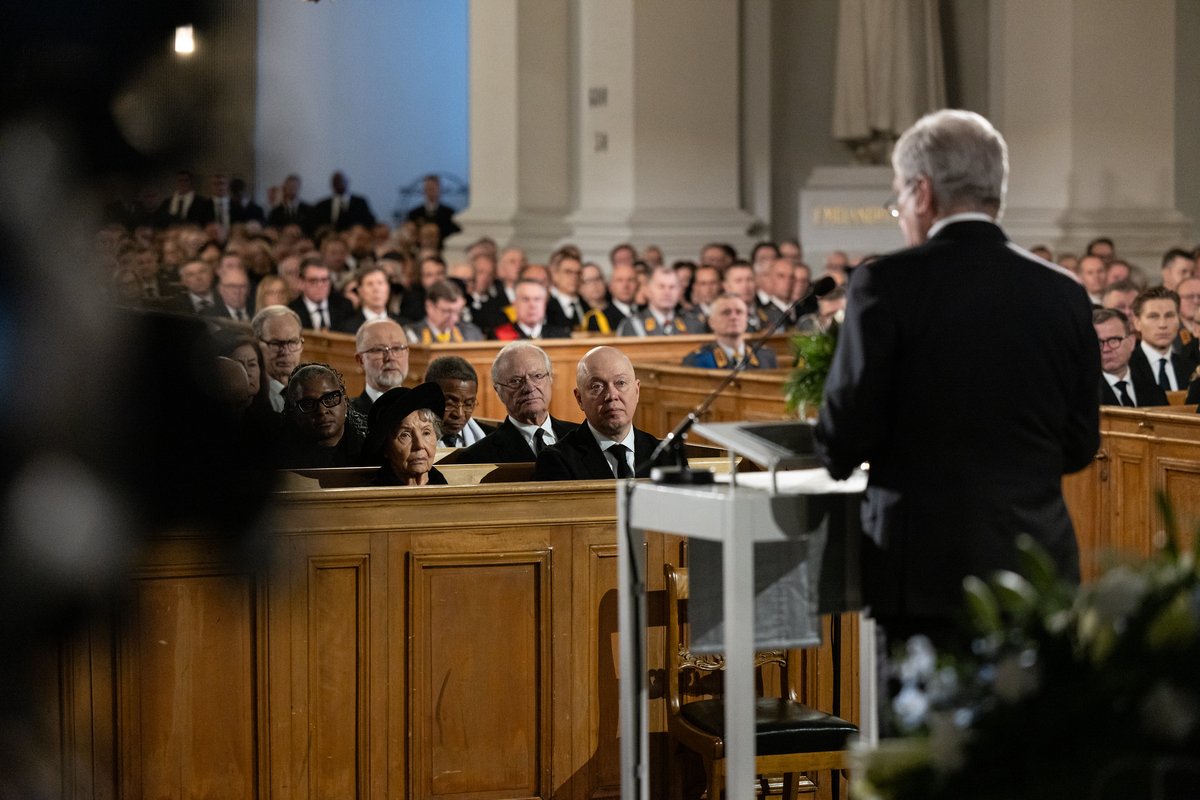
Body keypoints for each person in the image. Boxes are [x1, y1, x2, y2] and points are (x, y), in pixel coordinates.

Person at [815, 109, 1099, 644]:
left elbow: (841, 442)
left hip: (926, 574)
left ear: (922, 192)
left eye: (897, 195)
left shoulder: (886, 284)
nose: (899, 211)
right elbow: (1081, 445)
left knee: (927, 728)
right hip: (1037, 567)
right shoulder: (1064, 292)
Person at [533, 346, 673, 480]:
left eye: (620, 383)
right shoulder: (557, 460)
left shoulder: (667, 456)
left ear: (637, 391)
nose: (611, 395)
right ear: (579, 398)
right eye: (597, 386)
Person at [455, 342, 578, 463]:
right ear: (498, 391)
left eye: (537, 376)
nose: (529, 388)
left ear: (550, 378)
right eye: (516, 381)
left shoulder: (582, 438)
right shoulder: (478, 457)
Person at [271, 363, 365, 469]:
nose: (322, 410)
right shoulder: (276, 455)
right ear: (293, 412)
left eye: (330, 398)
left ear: (345, 401)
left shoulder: (371, 444)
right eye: (308, 404)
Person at [362, 383, 449, 486]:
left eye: (426, 433)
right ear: (385, 448)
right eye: (405, 435)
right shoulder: (370, 499)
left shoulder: (453, 496)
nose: (420, 445)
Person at [1128, 286, 1197, 393]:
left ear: (1178, 320)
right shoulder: (1126, 367)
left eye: (1169, 316)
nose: (1163, 324)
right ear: (1137, 323)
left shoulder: (1191, 367)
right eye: (1153, 316)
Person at [682, 294, 777, 369]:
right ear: (711, 322)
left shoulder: (765, 357)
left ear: (746, 319)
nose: (734, 317)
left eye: (739, 312)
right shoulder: (696, 361)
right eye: (726, 312)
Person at [1094, 308, 1166, 407]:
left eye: (1114, 340)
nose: (1106, 349)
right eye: (1098, 343)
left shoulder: (1153, 390)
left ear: (1131, 342)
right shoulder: (1084, 394)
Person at [424, 355, 496, 447]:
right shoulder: (408, 441)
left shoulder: (490, 441)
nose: (459, 414)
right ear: (428, 398)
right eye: (450, 404)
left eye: (468, 404)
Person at [616, 265, 705, 336]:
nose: (667, 292)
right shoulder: (633, 324)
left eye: (672, 287)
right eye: (661, 287)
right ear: (648, 290)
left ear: (679, 292)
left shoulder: (693, 323)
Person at [252, 305, 305, 413]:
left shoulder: (310, 389)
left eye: (292, 342)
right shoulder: (250, 395)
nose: (285, 352)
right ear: (256, 344)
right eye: (276, 343)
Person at [351, 319, 410, 415]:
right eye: (379, 350)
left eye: (397, 348)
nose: (390, 357)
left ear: (408, 353)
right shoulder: (347, 416)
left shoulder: (422, 410)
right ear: (360, 360)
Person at [405, 280, 485, 343]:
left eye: (458, 312)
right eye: (447, 311)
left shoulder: (471, 333)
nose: (455, 319)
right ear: (430, 306)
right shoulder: (412, 334)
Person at [491, 278, 571, 340]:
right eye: (525, 299)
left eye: (537, 299)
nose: (532, 305)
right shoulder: (498, 335)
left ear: (544, 304)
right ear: (514, 305)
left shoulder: (561, 336)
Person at [288, 258, 353, 331]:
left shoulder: (344, 305)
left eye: (324, 280)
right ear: (301, 283)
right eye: (313, 281)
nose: (320, 285)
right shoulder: (291, 312)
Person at [405, 174, 461, 245]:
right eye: (428, 188)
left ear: (439, 189)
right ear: (424, 190)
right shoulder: (414, 214)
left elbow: (454, 233)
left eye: (433, 188)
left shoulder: (449, 213)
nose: (430, 191)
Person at [312, 170, 376, 231]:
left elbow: (370, 222)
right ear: (332, 184)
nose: (339, 183)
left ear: (348, 182)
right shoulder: (322, 206)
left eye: (342, 180)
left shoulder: (360, 203)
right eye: (336, 181)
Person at [585, 263, 638, 333]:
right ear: (610, 286)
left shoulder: (647, 312)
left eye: (631, 280)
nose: (625, 285)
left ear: (638, 284)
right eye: (619, 280)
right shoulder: (597, 319)